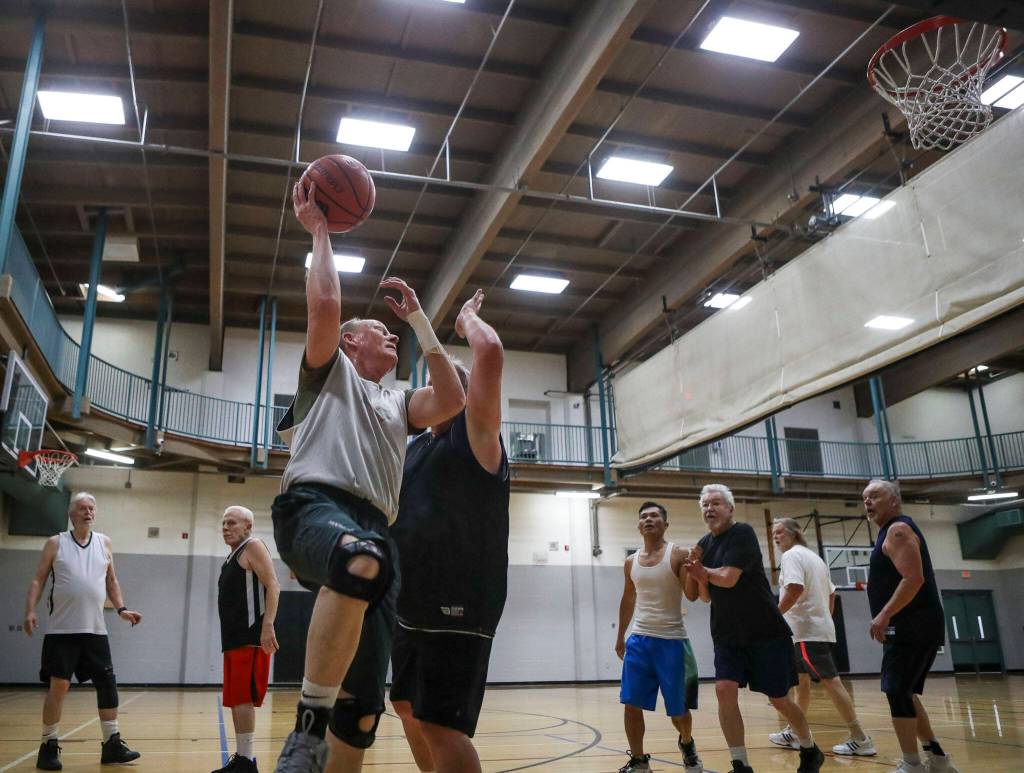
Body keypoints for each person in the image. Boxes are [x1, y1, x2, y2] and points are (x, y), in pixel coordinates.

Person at [270, 181, 465, 773]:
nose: (391, 335)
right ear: (352, 343)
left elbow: (453, 398)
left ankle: (330, 732)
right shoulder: (329, 373)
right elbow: (325, 307)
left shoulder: (399, 402)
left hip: (378, 529)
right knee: (358, 559)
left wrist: (421, 322)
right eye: (380, 330)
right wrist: (320, 230)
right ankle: (305, 730)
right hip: (313, 508)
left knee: (360, 714)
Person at [387, 289, 510, 773]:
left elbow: (491, 353)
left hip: (459, 600)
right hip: (409, 600)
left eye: (452, 387)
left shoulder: (476, 438)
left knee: (441, 723)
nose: (437, 393)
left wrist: (467, 322)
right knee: (406, 707)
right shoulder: (416, 448)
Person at [683, 484, 824, 773]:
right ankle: (740, 763)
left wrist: (703, 572)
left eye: (716, 503)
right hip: (727, 634)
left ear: (730, 508)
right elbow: (708, 594)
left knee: (780, 699)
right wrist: (697, 576)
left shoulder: (743, 533)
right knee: (724, 689)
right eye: (705, 505)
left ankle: (809, 748)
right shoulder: (704, 544)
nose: (710, 508)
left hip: (765, 632)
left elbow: (728, 578)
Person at [23, 492, 143, 771]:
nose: (88, 512)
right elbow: (38, 580)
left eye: (92, 508)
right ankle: (48, 746)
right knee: (59, 686)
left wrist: (122, 608)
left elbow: (111, 580)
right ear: (71, 514)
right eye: (82, 508)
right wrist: (30, 610)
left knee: (107, 683)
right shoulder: (56, 543)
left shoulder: (105, 543)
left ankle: (112, 743)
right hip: (62, 630)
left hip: (95, 631)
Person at [863, 480, 956, 773]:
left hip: (912, 625)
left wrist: (884, 614)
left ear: (894, 501)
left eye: (875, 496)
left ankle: (912, 764)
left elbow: (913, 579)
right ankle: (938, 759)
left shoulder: (898, 530)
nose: (868, 502)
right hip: (911, 626)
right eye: (864, 498)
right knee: (903, 690)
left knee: (896, 690)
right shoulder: (890, 530)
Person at [769, 518, 874, 757]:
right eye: (773, 533)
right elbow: (832, 595)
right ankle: (794, 732)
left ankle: (860, 738)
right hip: (812, 628)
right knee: (801, 682)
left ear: (794, 533)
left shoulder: (791, 556)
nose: (776, 537)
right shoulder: (815, 558)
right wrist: (824, 619)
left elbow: (794, 588)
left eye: (780, 532)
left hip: (806, 630)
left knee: (830, 681)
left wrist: (774, 617)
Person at [615, 502, 704, 773]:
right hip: (639, 640)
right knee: (631, 703)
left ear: (665, 524)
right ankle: (640, 761)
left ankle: (687, 744)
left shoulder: (678, 554)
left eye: (655, 516)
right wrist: (621, 636)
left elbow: (691, 595)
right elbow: (628, 598)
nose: (649, 519)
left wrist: (695, 571)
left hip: (672, 642)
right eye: (644, 516)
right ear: (639, 525)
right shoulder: (631, 561)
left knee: (678, 711)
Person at [215, 506, 282, 773]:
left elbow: (273, 585)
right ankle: (242, 759)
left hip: (250, 637)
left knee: (243, 697)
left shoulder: (253, 546)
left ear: (248, 526)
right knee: (234, 698)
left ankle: (247, 762)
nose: (226, 527)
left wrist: (268, 626)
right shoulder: (231, 557)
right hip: (233, 639)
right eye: (223, 523)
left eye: (232, 523)